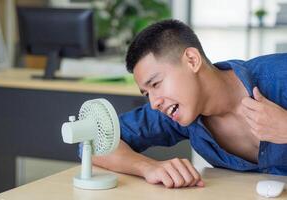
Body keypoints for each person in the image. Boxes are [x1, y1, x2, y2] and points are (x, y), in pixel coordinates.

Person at [89, 19, 287, 188]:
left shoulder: (279, 75)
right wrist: (148, 167)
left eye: (156, 84)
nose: (154, 103)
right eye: (147, 94)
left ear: (192, 60)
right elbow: (92, 141)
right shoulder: (176, 113)